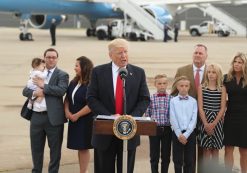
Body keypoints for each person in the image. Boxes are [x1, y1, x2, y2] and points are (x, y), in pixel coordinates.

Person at [86, 38, 150, 173]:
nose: (124, 56)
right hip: (105, 132)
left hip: (129, 130)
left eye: (125, 52)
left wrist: (131, 118)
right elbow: (91, 98)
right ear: (110, 55)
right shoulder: (98, 72)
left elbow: (144, 99)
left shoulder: (138, 73)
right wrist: (109, 116)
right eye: (120, 53)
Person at [22, 48, 69, 173]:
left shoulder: (62, 75)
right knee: (36, 148)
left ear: (57, 59)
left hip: (53, 118)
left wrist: (44, 88)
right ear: (44, 58)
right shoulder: (37, 72)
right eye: (48, 57)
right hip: (36, 117)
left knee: (55, 150)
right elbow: (25, 90)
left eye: (54, 57)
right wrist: (35, 93)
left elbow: (61, 90)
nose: (51, 59)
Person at [172, 44, 208, 173]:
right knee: (189, 154)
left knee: (204, 150)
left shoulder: (212, 71)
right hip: (185, 118)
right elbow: (173, 93)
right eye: (196, 53)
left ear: (206, 56)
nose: (197, 55)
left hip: (206, 117)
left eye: (200, 53)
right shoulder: (182, 70)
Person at [64, 56, 94, 173]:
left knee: (83, 147)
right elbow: (67, 99)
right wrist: (67, 111)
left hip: (85, 120)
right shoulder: (74, 81)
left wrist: (77, 115)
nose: (74, 68)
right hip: (73, 118)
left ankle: (83, 171)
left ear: (84, 67)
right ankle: (83, 170)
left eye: (77, 65)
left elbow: (91, 104)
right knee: (79, 146)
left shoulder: (91, 84)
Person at [223, 52, 247, 173]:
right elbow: (220, 98)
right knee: (228, 148)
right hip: (230, 117)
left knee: (244, 151)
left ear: (245, 64)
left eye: (240, 62)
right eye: (235, 62)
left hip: (245, 119)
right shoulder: (226, 78)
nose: (236, 64)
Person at [197, 64, 226, 162]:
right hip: (205, 120)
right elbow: (200, 107)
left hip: (217, 122)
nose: (211, 74)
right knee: (206, 149)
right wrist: (206, 124)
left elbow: (222, 108)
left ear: (218, 74)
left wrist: (214, 124)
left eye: (213, 72)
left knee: (215, 150)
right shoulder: (202, 87)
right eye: (209, 72)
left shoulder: (222, 88)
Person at [145, 74, 172, 173]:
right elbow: (148, 114)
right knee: (154, 155)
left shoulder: (171, 99)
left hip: (167, 129)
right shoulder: (151, 98)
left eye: (164, 83)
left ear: (167, 84)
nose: (162, 85)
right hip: (154, 129)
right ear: (155, 84)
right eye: (159, 83)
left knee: (166, 155)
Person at [170, 76, 198, 173]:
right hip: (177, 133)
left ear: (189, 87)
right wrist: (179, 134)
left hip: (190, 133)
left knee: (189, 159)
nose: (184, 88)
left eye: (186, 86)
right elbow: (172, 118)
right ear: (177, 87)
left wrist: (186, 134)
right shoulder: (173, 101)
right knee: (177, 159)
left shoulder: (193, 101)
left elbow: (194, 119)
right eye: (181, 86)